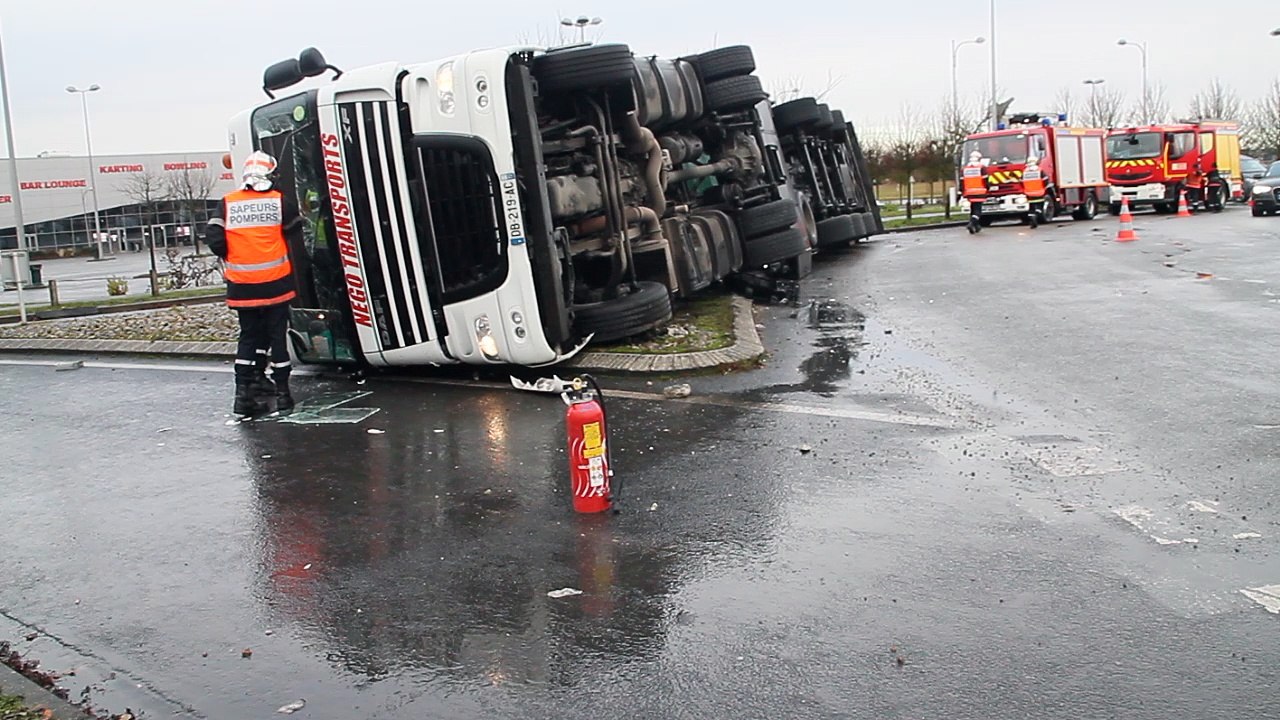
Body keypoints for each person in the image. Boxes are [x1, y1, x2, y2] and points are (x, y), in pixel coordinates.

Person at [205, 151, 300, 416]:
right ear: (269, 176)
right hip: (276, 284)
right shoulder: (279, 201)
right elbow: (294, 229)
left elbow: (213, 237)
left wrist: (232, 253)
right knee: (276, 336)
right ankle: (283, 395)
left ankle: (243, 395)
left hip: (242, 285)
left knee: (248, 336)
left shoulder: (228, 202)